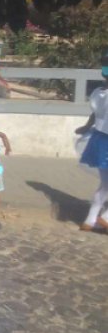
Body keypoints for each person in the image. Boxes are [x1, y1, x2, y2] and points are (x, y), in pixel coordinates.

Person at [75, 51, 108, 233]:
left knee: (106, 184)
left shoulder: (98, 93)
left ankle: (91, 219)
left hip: (100, 140)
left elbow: (94, 114)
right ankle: (104, 217)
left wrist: (86, 127)